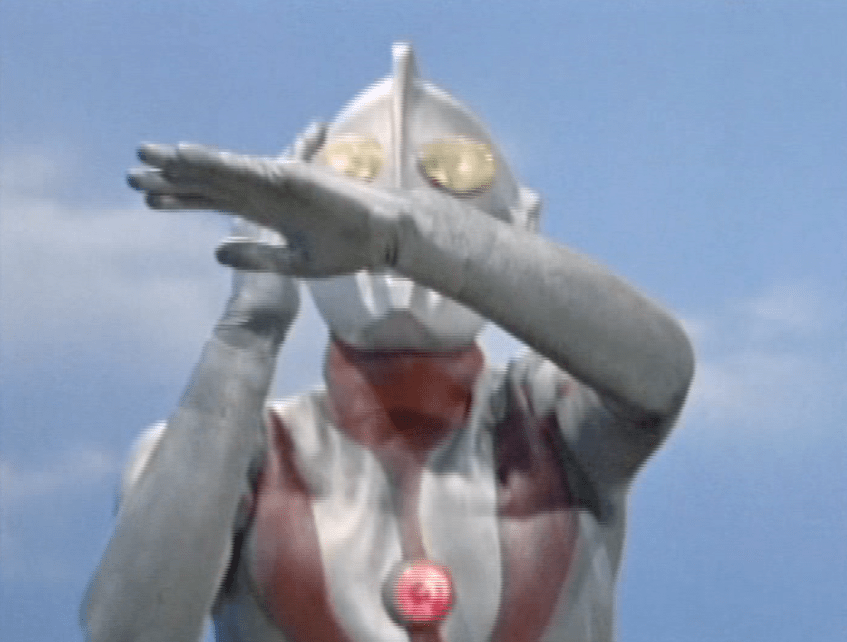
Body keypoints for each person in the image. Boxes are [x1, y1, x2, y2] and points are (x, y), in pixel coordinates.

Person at [81, 43, 695, 642]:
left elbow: (659, 373)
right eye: (355, 187)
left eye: (454, 179)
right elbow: (131, 631)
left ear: (521, 225)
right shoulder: (235, 452)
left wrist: (404, 234)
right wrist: (246, 338)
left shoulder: (550, 427)